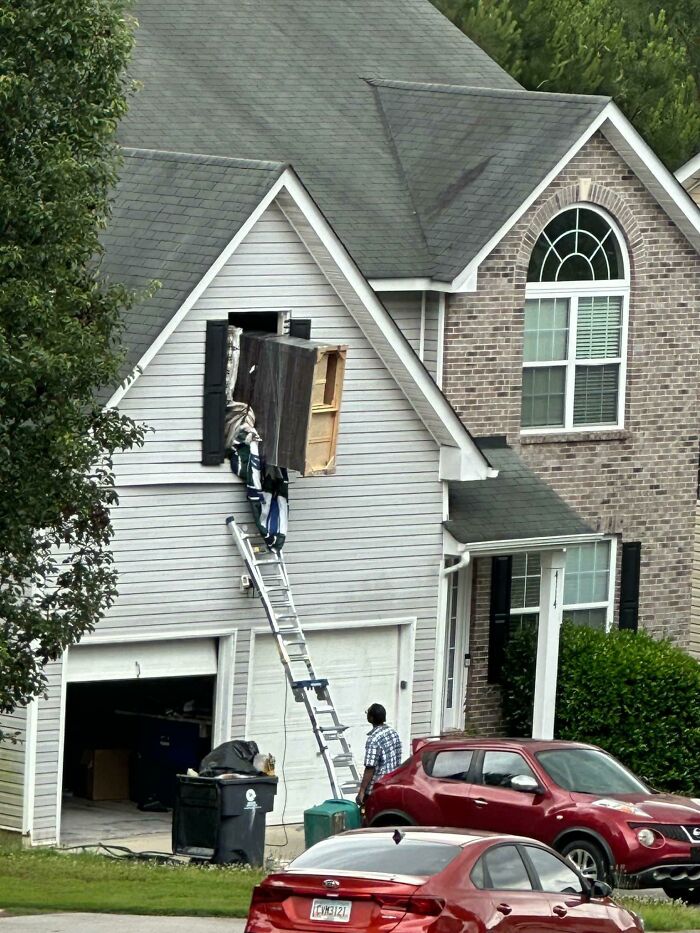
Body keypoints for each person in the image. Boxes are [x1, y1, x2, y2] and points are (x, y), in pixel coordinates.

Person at [355, 703, 402, 807]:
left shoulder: (373, 739)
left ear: (371, 718)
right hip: (392, 784)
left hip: (377, 789)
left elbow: (370, 768)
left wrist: (362, 791)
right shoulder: (392, 732)